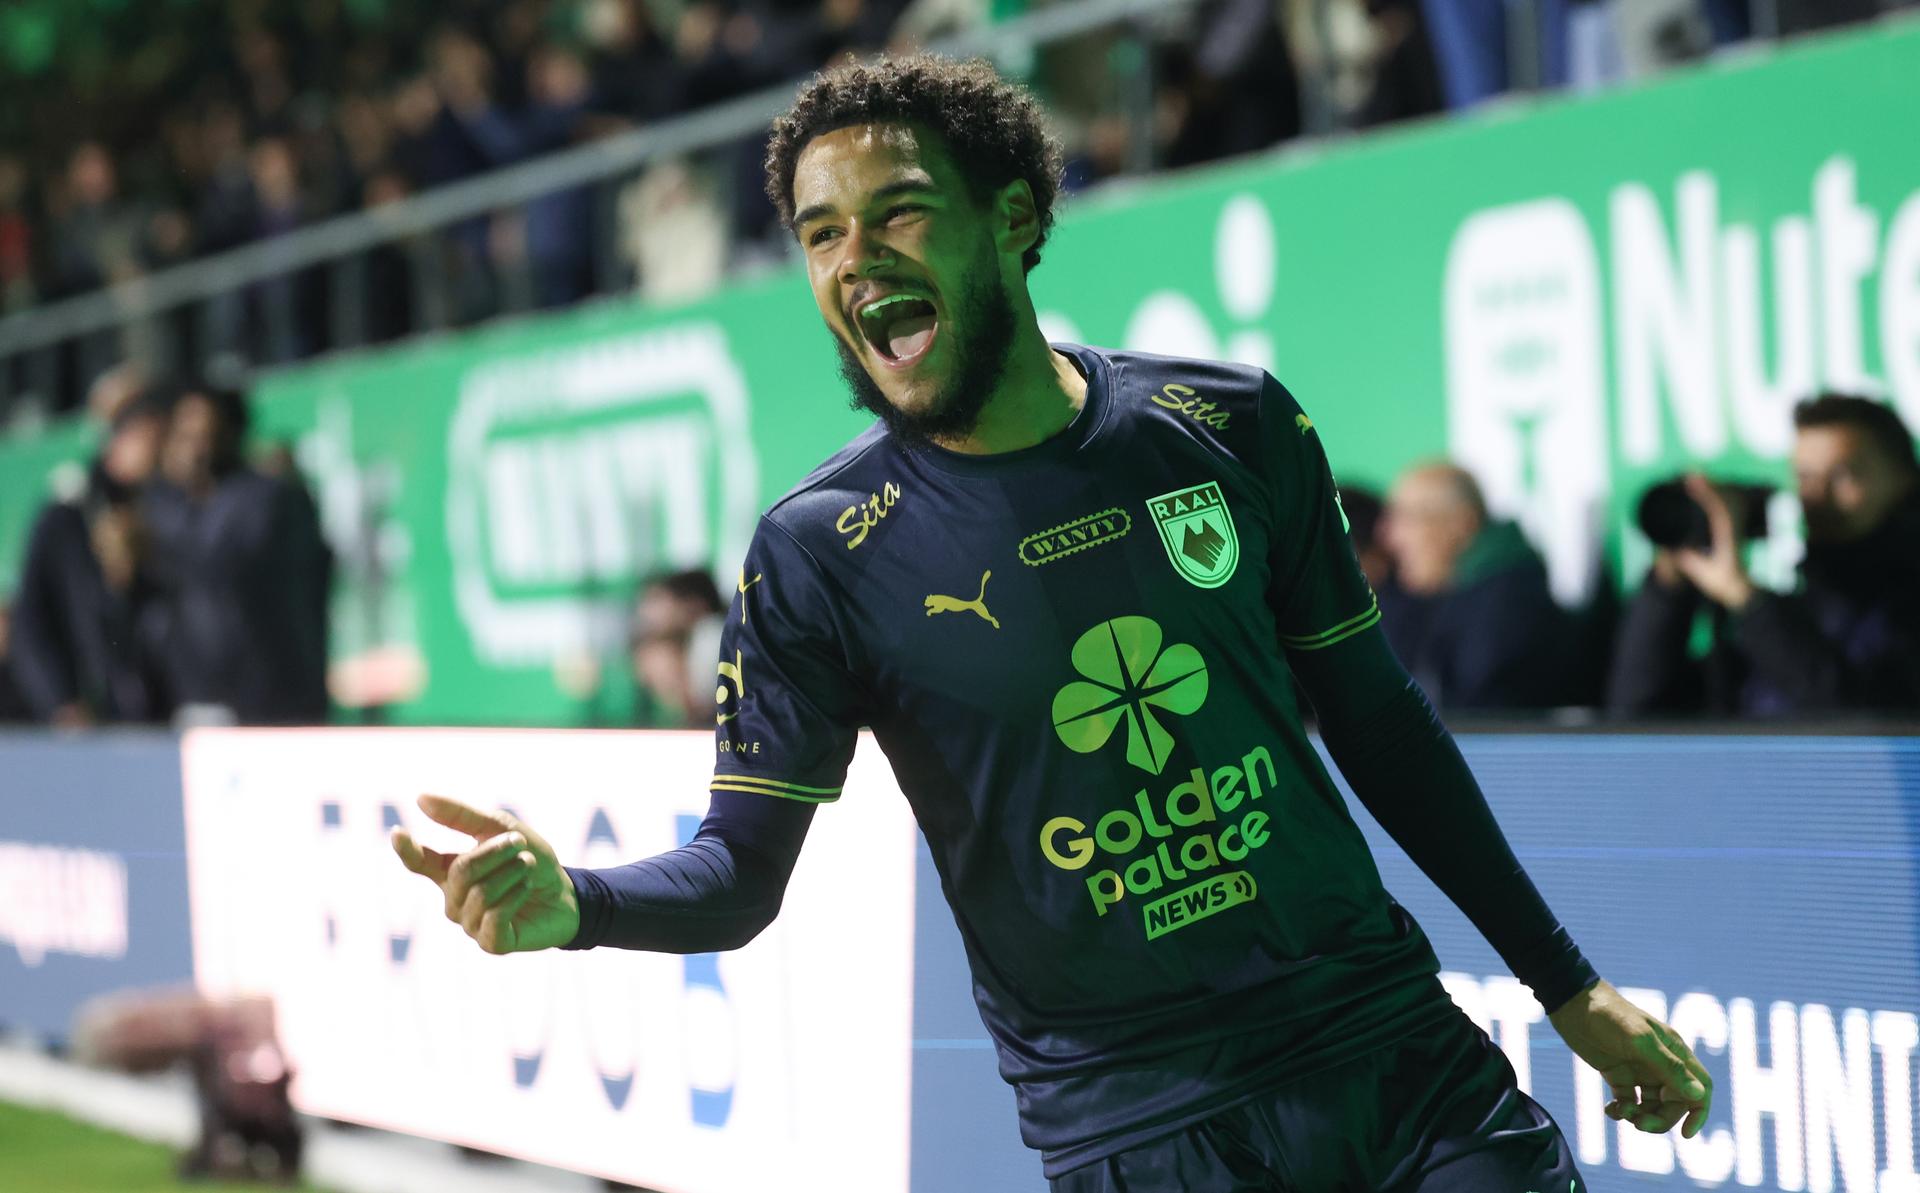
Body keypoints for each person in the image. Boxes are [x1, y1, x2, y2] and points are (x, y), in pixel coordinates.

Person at [391, 55, 1710, 1191]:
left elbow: (1377, 719)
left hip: (1397, 1058)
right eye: (821, 233)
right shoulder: (815, 554)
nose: (858, 262)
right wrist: (579, 903)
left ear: (1013, 217)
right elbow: (739, 873)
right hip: (1143, 1130)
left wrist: (1565, 982)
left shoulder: (1232, 423)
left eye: (899, 215)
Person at [1609, 393, 1920, 716]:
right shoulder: (1805, 606)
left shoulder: (1902, 608)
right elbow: (1636, 712)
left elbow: (1863, 724)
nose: (1817, 497)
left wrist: (1746, 599)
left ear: (1904, 479)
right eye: (1806, 477)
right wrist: (1669, 584)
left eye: (1843, 476)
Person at [142, 380, 331, 724]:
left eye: (205, 435)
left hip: (271, 697)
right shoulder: (172, 505)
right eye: (184, 436)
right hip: (200, 697)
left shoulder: (269, 498)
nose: (195, 449)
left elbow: (220, 565)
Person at [10, 390, 173, 725]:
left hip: (160, 713)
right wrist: (61, 701)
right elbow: (31, 621)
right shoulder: (65, 517)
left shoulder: (169, 513)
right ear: (123, 437)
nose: (158, 454)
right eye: (150, 439)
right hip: (91, 714)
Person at [1377, 461, 1581, 711]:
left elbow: (1479, 725)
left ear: (1463, 523)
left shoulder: (1505, 608)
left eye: (1408, 519)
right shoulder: (1461, 598)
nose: (1390, 538)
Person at [628, 569, 727, 728]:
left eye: (658, 601)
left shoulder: (711, 637)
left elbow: (705, 705)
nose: (649, 615)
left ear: (694, 604)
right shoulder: (697, 638)